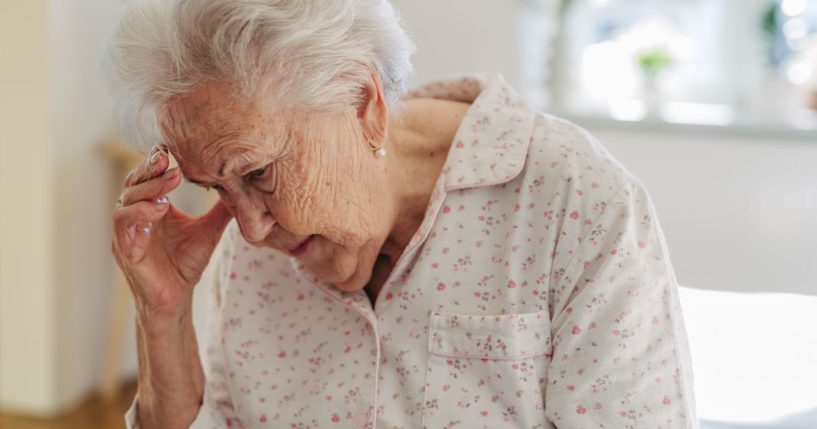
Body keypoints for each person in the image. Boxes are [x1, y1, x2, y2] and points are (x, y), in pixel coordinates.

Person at [105, 0, 698, 427]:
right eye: (215, 188)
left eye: (259, 173)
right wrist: (164, 316)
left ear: (362, 103)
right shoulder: (249, 245)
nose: (252, 228)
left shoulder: (575, 206)